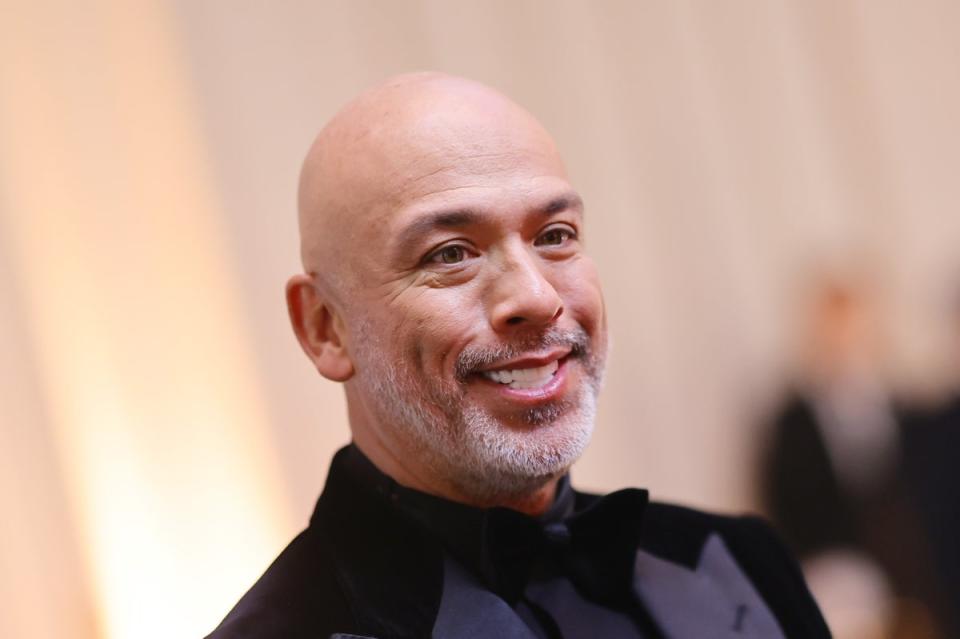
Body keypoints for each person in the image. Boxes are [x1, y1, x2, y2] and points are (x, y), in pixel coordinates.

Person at [207, 72, 829, 638]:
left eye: (554, 236)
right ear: (325, 328)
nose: (535, 297)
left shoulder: (745, 560)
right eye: (450, 253)